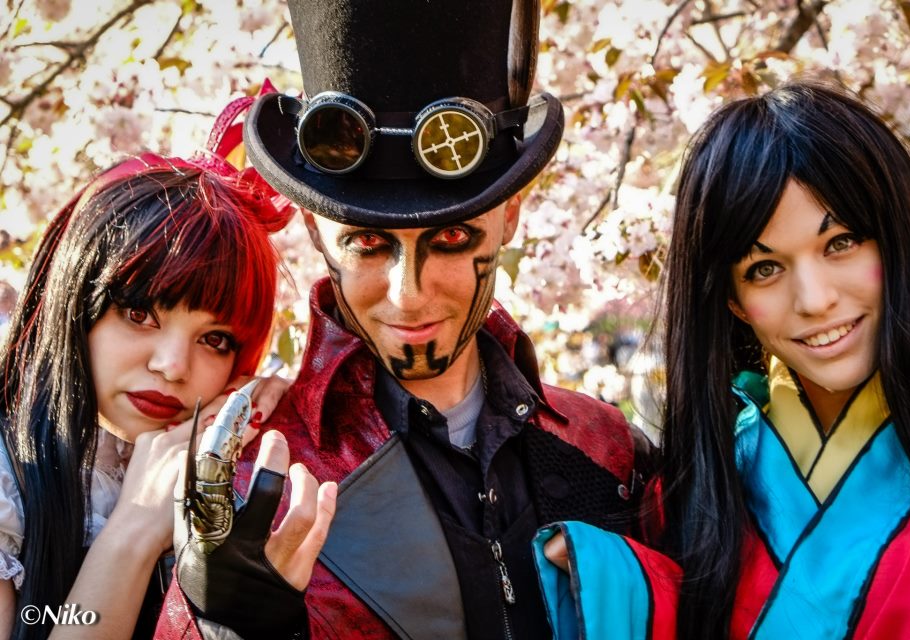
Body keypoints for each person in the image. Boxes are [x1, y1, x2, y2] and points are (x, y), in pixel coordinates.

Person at [154, 1, 655, 639]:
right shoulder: (248, 483)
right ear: (314, 229)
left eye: (451, 238)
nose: (408, 295)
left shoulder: (606, 446)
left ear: (510, 215)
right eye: (366, 243)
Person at [533, 81, 910, 639]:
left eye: (841, 243)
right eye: (765, 269)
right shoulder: (697, 492)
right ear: (731, 300)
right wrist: (617, 583)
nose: (815, 300)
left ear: (898, 240)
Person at [0, 100, 295, 640]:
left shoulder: (217, 466)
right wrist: (137, 530)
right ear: (73, 303)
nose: (173, 367)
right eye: (139, 314)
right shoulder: (7, 484)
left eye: (215, 339)